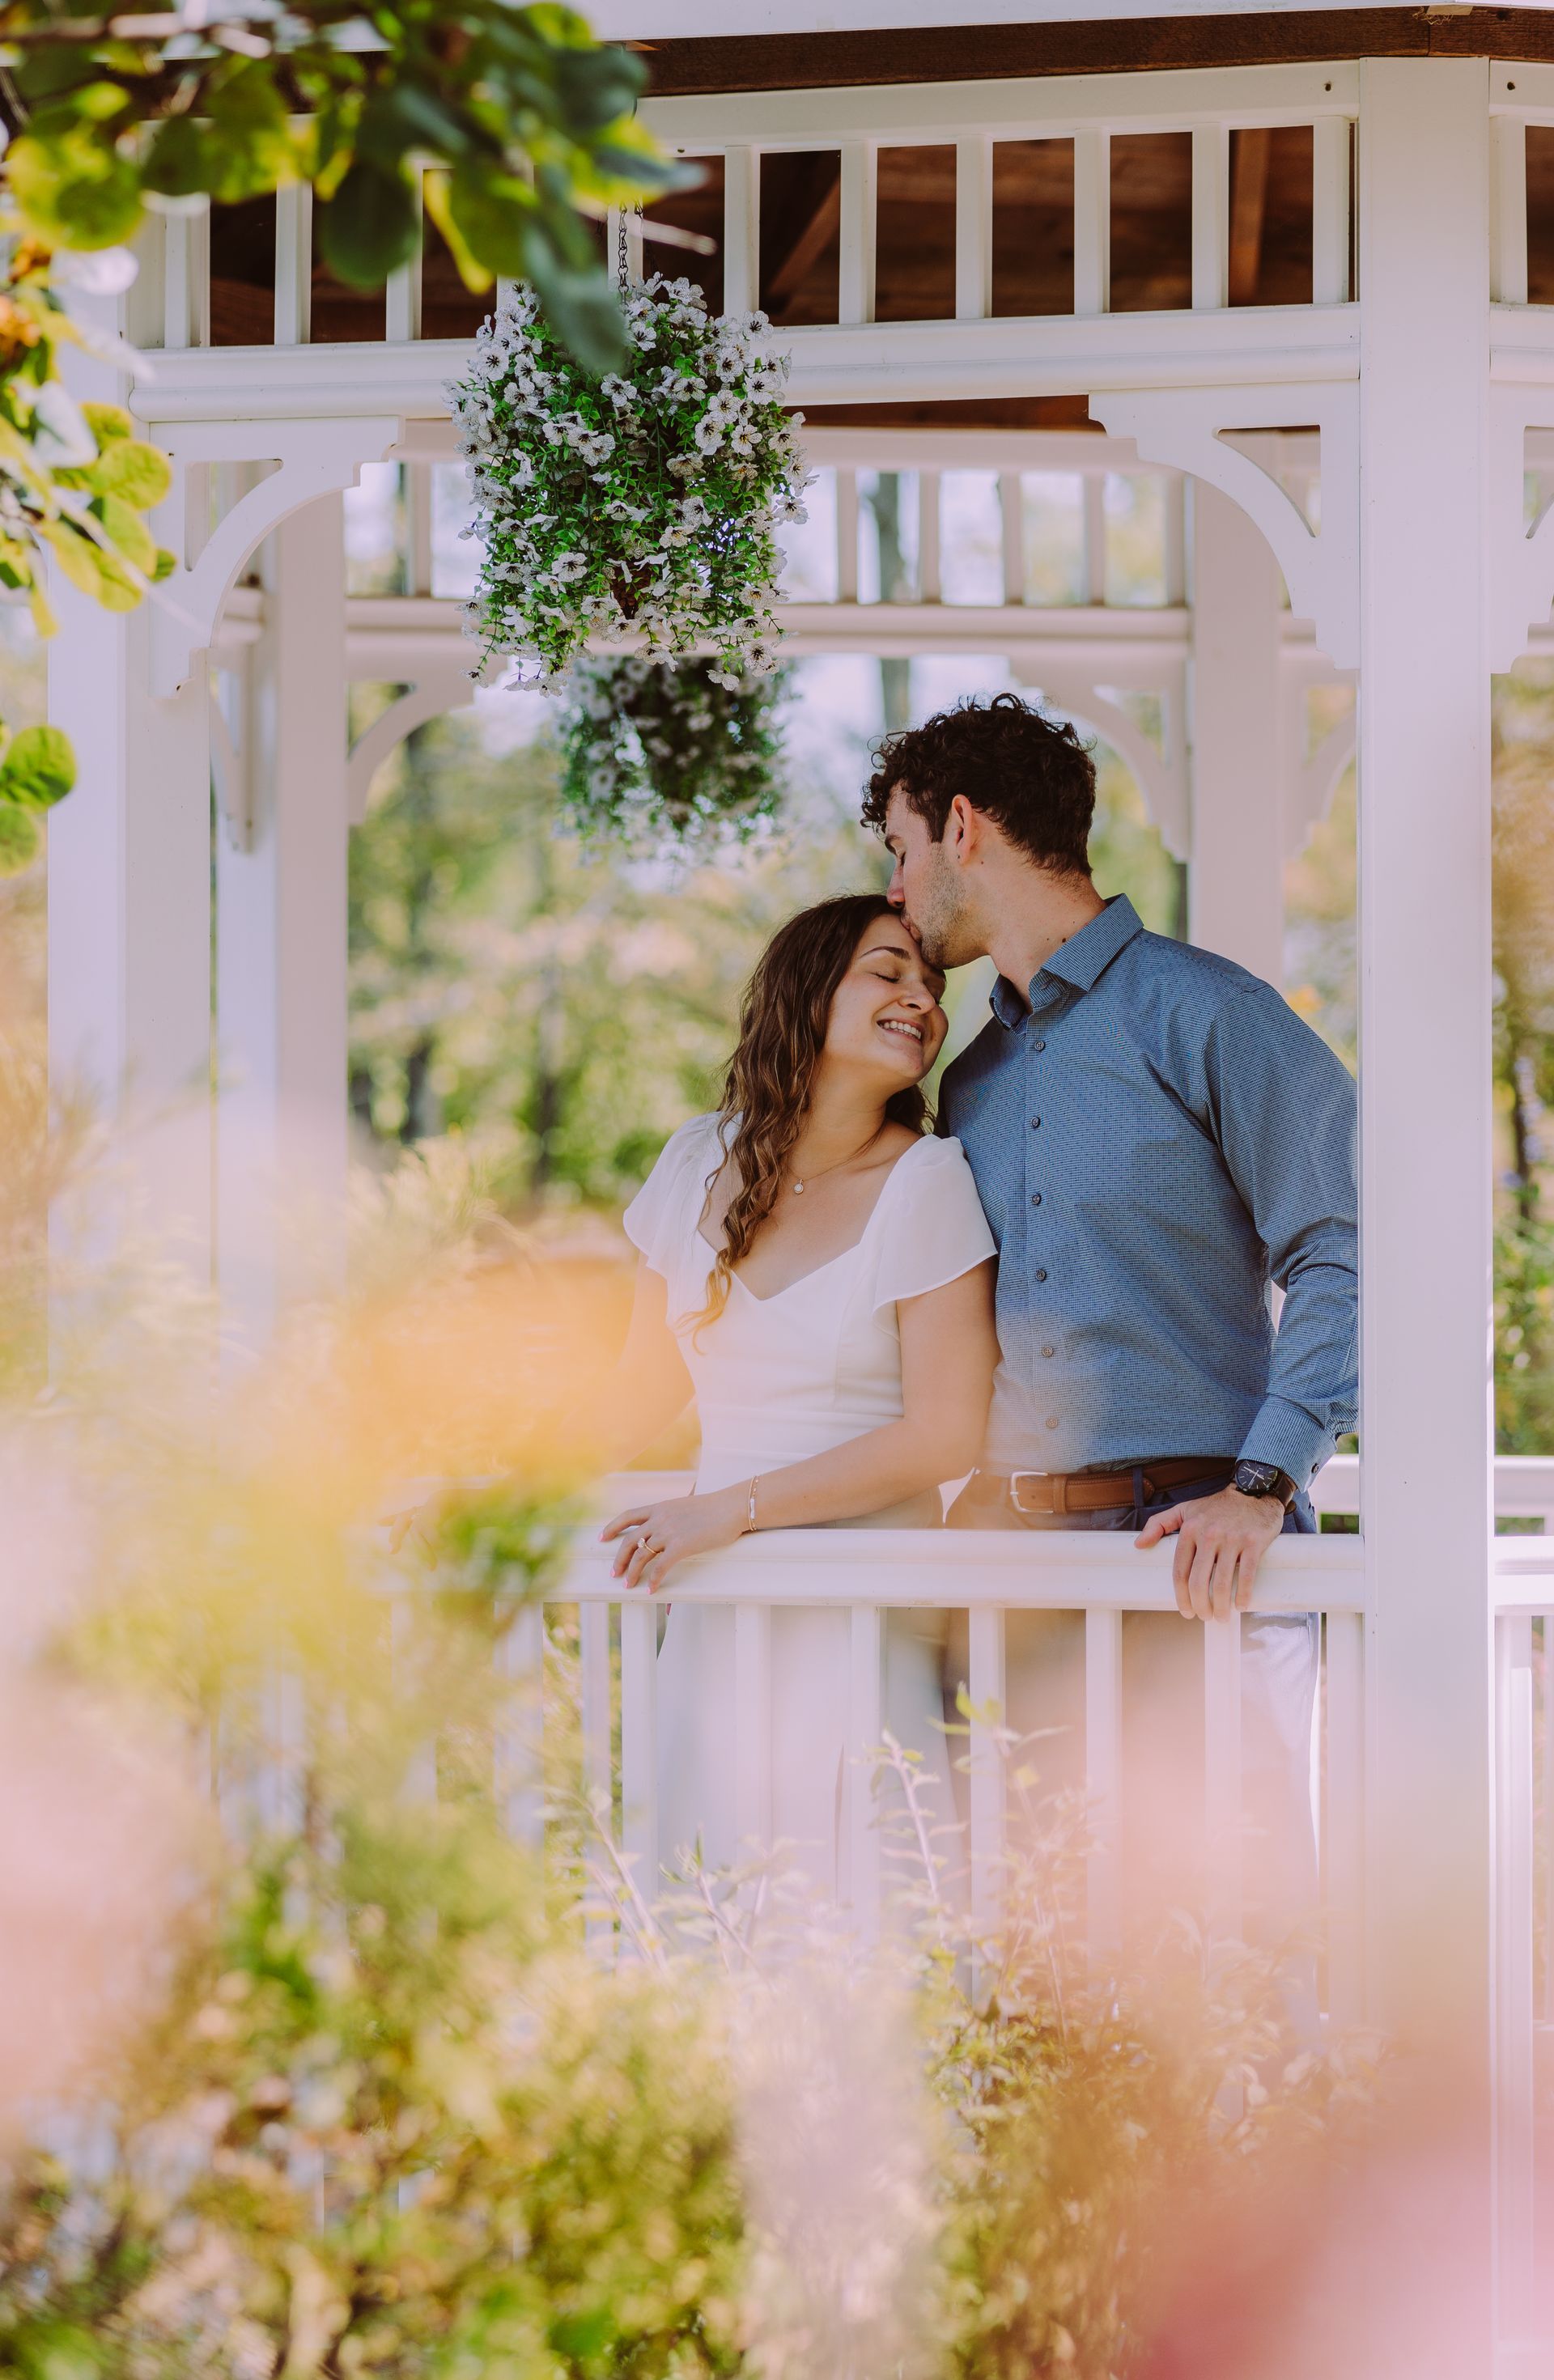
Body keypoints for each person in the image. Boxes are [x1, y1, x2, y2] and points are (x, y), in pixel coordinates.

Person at [864, 692, 1359, 1997]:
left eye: (901, 852)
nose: (898, 892)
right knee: (1028, 1964)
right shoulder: (971, 1083)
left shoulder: (1209, 1014)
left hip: (1197, 1561)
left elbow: (1349, 1249)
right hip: (1012, 1576)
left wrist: (1264, 1486)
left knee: (1240, 1967)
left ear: (963, 826)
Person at [593, 893, 998, 1895]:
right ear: (809, 990)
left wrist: (729, 1511)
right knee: (705, 1899)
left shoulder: (930, 1180)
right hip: (713, 1600)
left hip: (858, 1600)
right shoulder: (695, 1159)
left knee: (859, 1903)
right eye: (889, 972)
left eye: (932, 985)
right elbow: (628, 1399)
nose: (924, 1000)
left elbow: (946, 1432)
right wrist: (485, 1488)